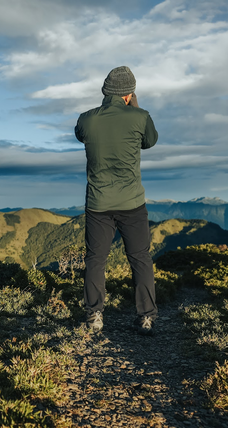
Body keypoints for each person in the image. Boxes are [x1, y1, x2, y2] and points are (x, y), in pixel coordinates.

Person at [74, 65, 158, 336]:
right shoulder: (140, 116)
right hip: (132, 203)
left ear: (105, 91)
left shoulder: (86, 119)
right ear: (129, 94)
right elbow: (150, 141)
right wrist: (134, 107)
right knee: (140, 258)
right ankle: (146, 317)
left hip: (98, 203)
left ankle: (95, 315)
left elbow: (80, 135)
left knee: (96, 259)